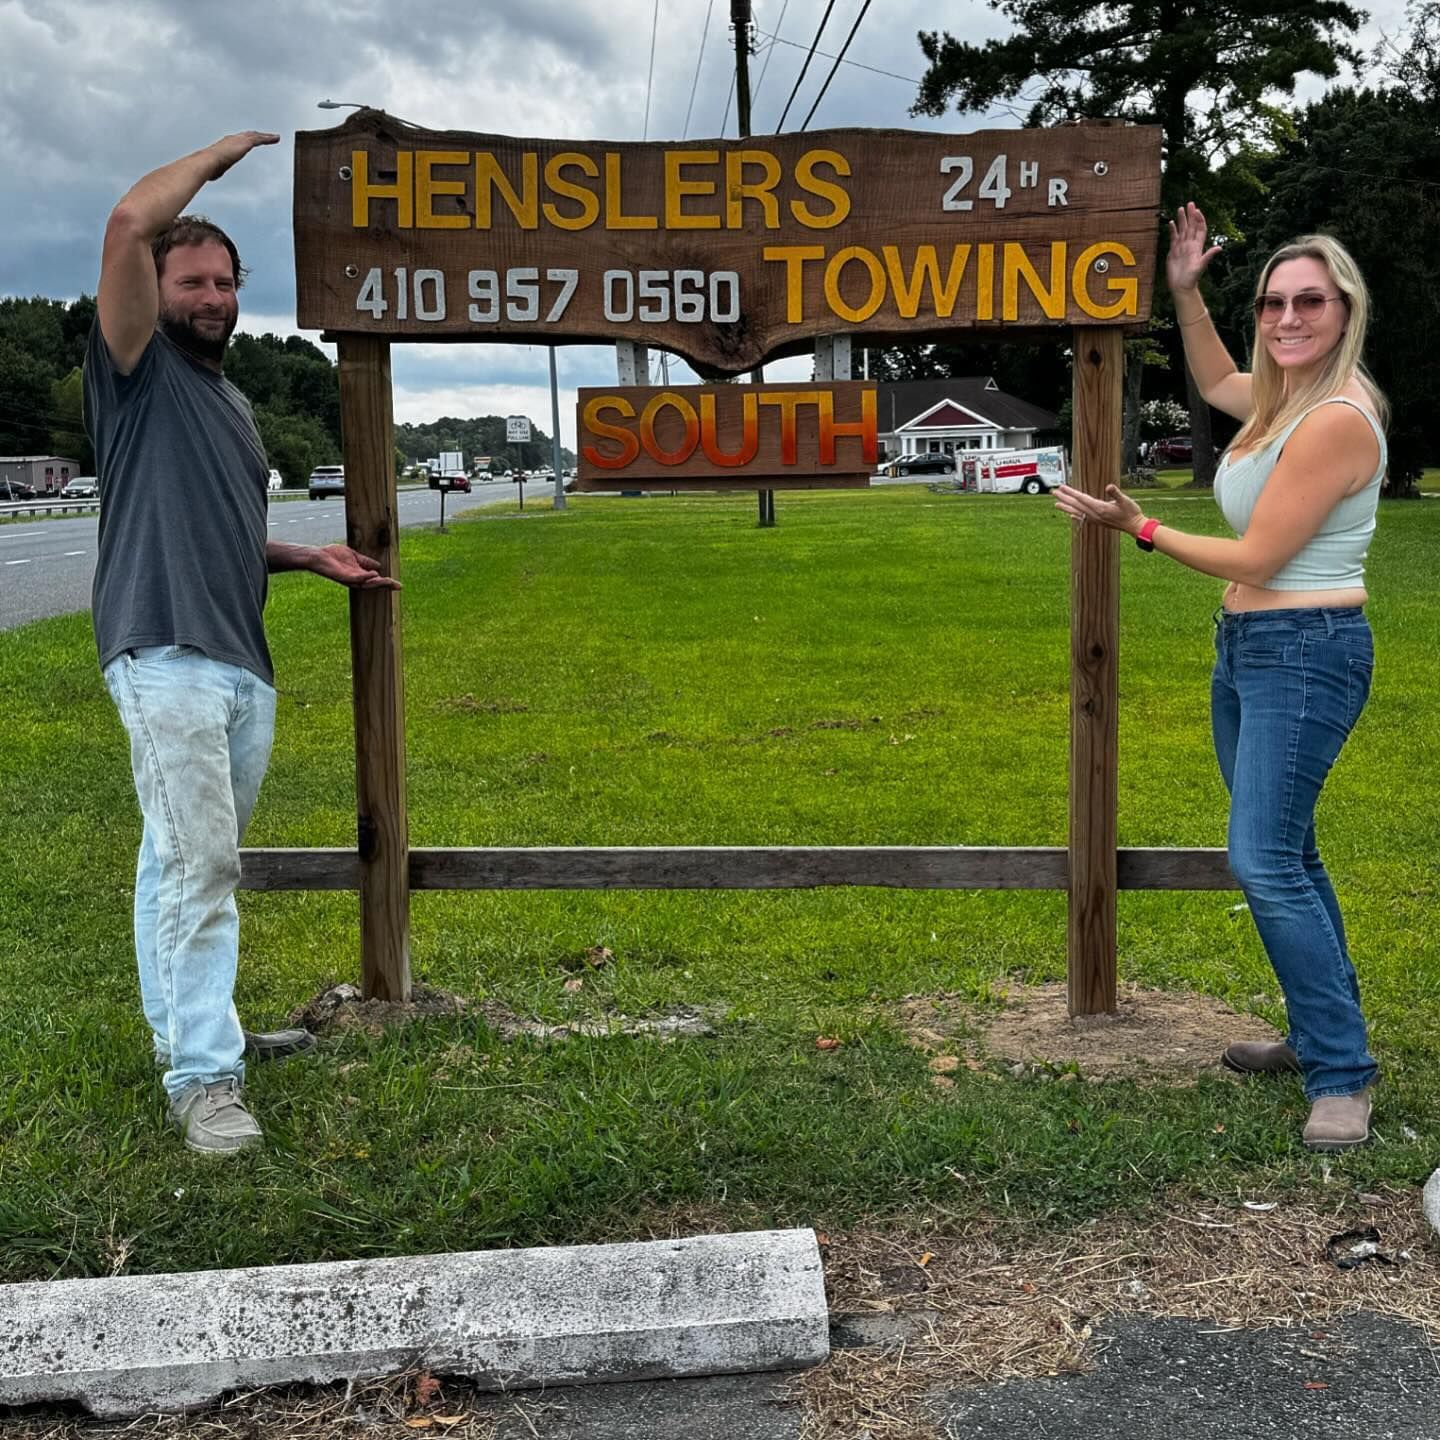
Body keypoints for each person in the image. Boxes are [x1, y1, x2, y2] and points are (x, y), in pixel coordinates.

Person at [85, 132, 400, 1155]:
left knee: (175, 863)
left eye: (225, 281)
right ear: (155, 288)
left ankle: (195, 1032)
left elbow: (213, 526)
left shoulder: (229, 402)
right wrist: (221, 157)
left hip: (235, 660)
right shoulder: (133, 368)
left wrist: (309, 558)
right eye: (191, 280)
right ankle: (204, 1083)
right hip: (164, 648)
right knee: (200, 867)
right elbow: (129, 221)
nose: (212, 298)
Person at [1053, 204, 1387, 1153]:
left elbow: (1262, 553)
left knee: (1265, 860)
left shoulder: (1334, 419)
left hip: (1305, 651)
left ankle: (1343, 1077)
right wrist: (1186, 292)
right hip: (1251, 652)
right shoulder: (1283, 403)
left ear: (1344, 308)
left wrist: (1139, 527)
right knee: (1289, 854)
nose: (1288, 317)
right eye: (1276, 302)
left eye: (1309, 302)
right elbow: (1213, 378)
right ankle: (1320, 1034)